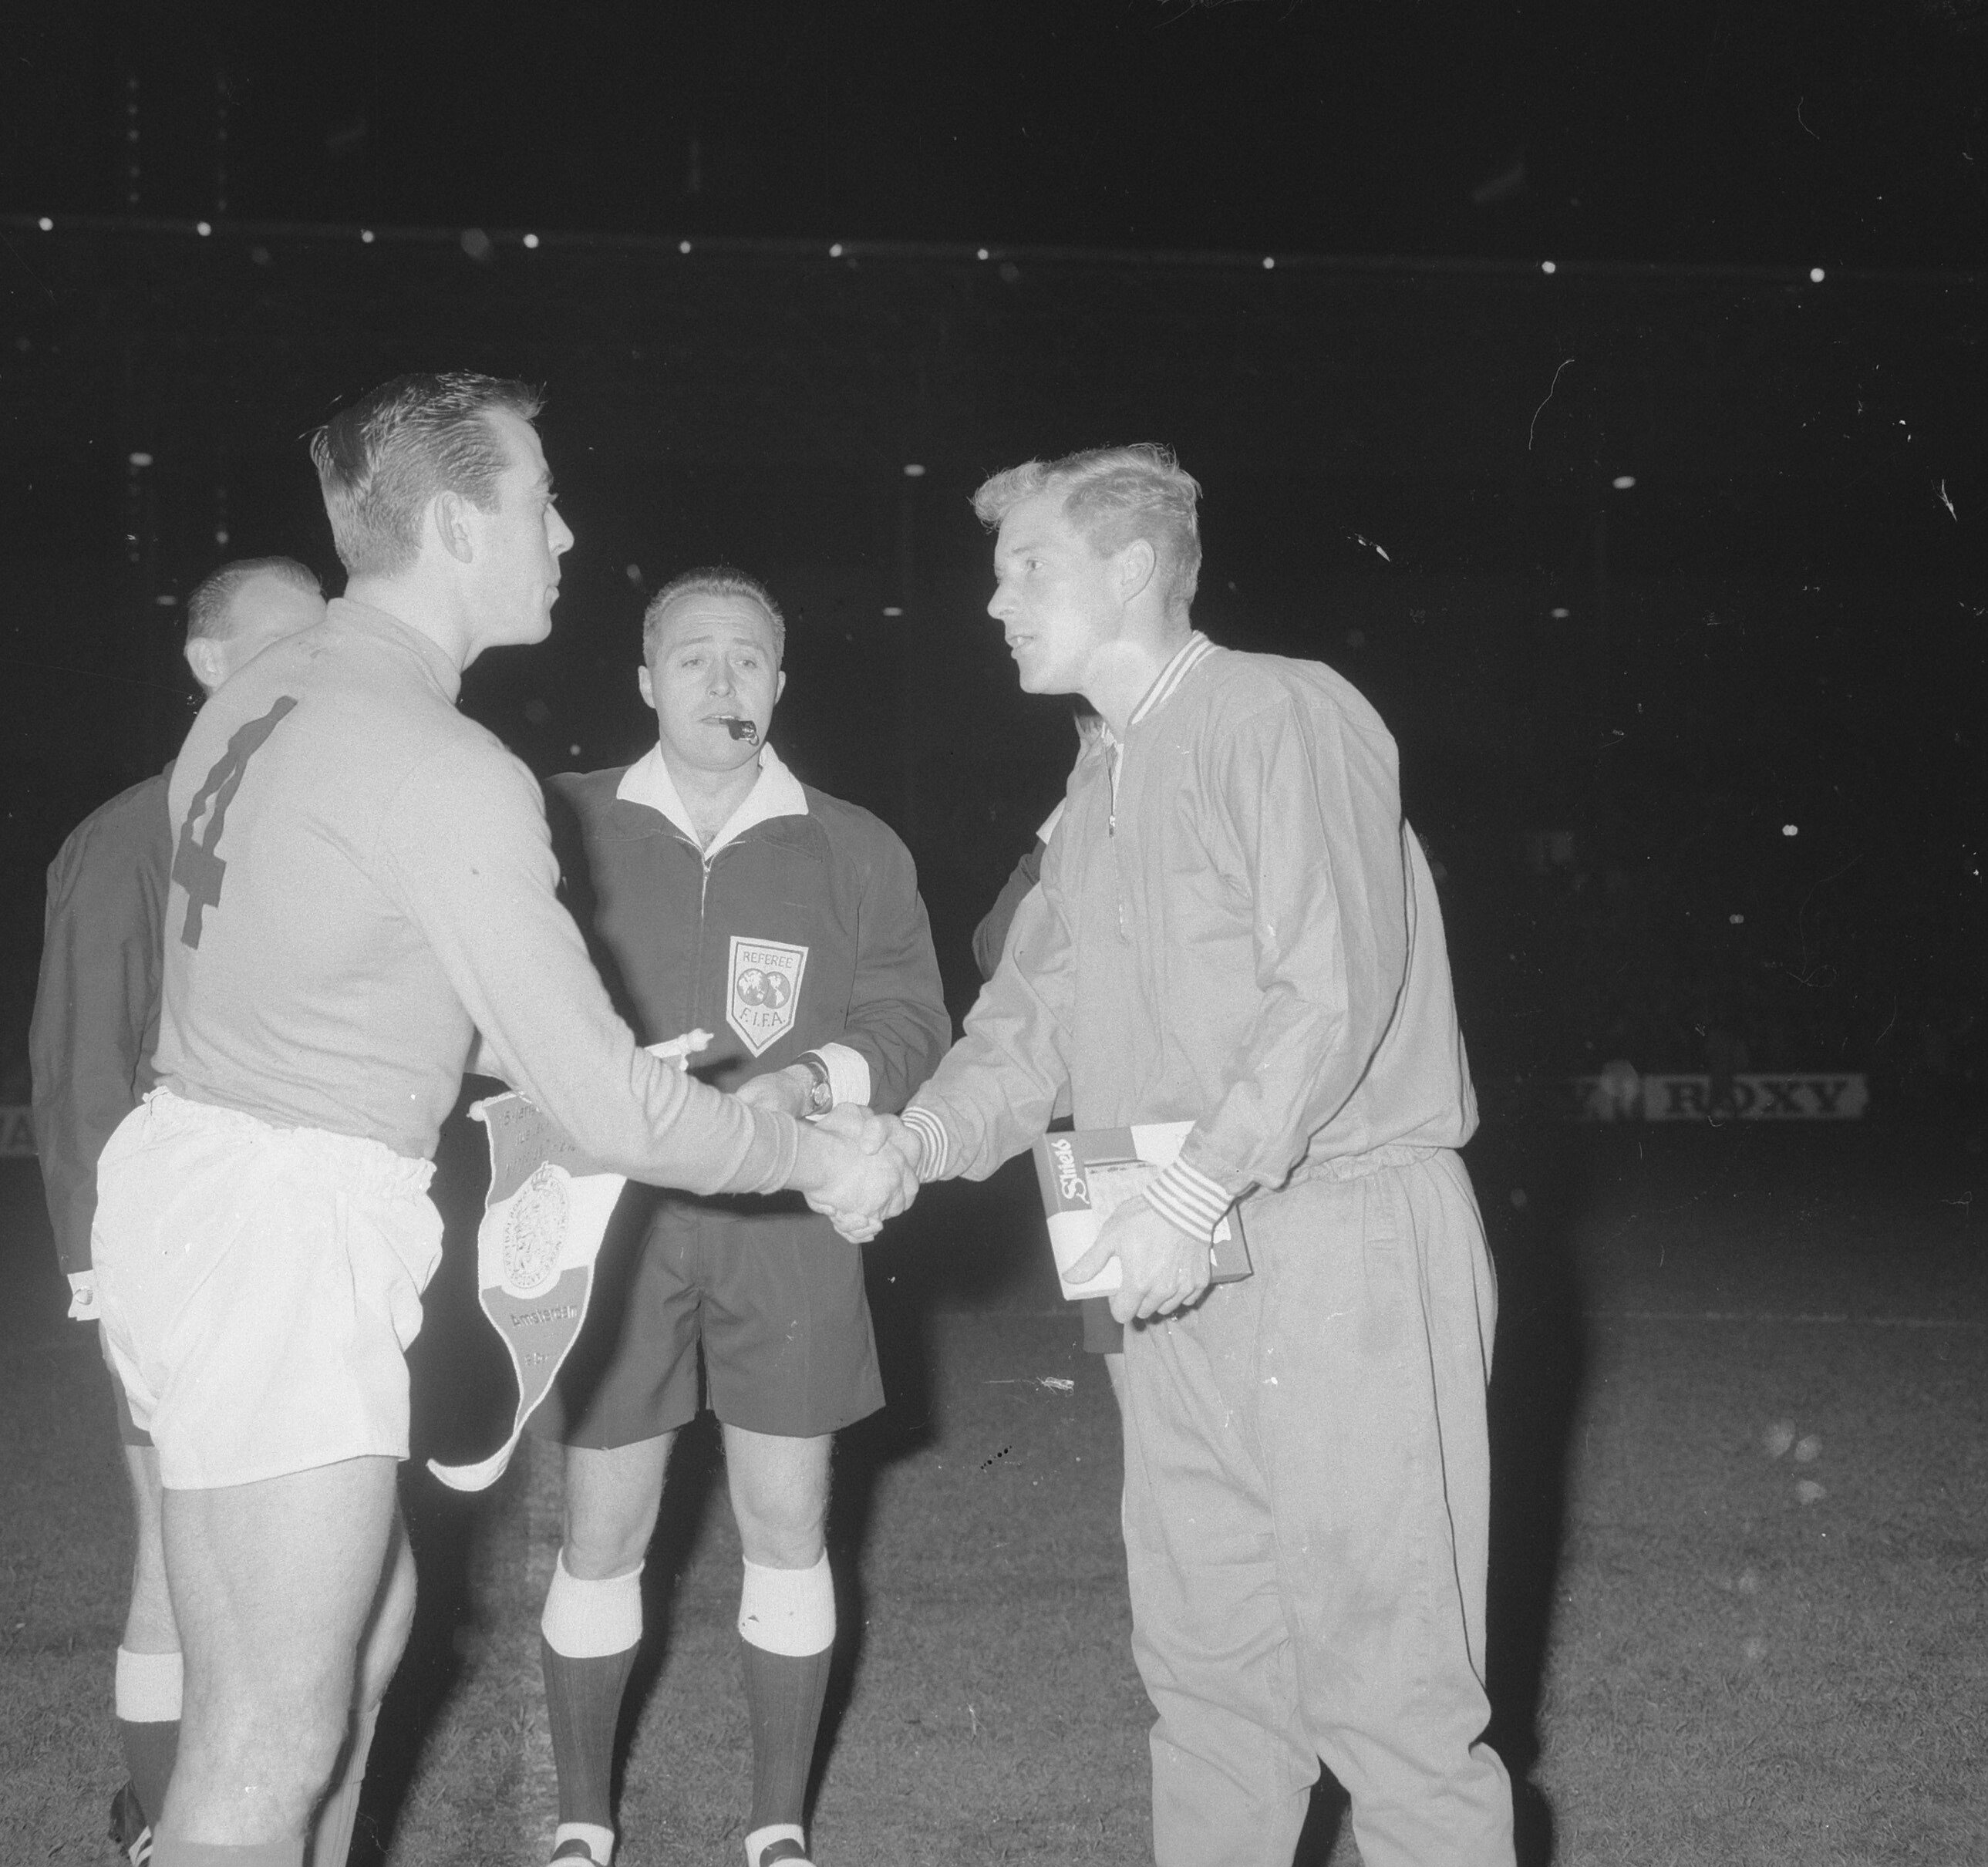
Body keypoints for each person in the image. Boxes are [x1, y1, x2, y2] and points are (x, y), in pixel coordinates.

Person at [86, 373, 914, 1867]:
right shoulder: (448, 766)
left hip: (202, 1189)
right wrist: (813, 1151)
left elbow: (355, 964)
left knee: (361, 1639)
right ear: (462, 526)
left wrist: (553, 1048)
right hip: (284, 1221)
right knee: (265, 1745)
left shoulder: (263, 692)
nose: (567, 528)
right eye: (542, 497)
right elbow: (608, 1108)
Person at [884, 445, 1515, 1866]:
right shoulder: (1099, 772)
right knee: (1211, 1682)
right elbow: (1029, 1016)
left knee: (1390, 1696)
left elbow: (1330, 987)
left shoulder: (1277, 711)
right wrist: (914, 1139)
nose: (993, 601)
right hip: (1169, 1252)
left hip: (1328, 1230)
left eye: (1023, 565)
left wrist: (1189, 1186)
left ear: (1129, 568)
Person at [526, 567, 950, 1867]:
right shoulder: (558, 819)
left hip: (789, 1225)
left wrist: (814, 1076)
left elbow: (912, 1018)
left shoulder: (855, 842)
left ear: (781, 682)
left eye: (749, 660)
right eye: (694, 659)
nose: (724, 683)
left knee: (787, 1521)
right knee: (604, 1529)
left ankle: (777, 1824)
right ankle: (584, 1820)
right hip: (617, 1221)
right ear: (644, 680)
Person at [29, 558, 327, 1867]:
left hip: (298, 1248)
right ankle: (161, 1822)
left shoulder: (304, 823)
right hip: (169, 1262)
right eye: (284, 646)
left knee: (290, 1581)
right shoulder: (128, 839)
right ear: (209, 665)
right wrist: (108, 1280)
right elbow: (80, 1073)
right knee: (177, 1549)